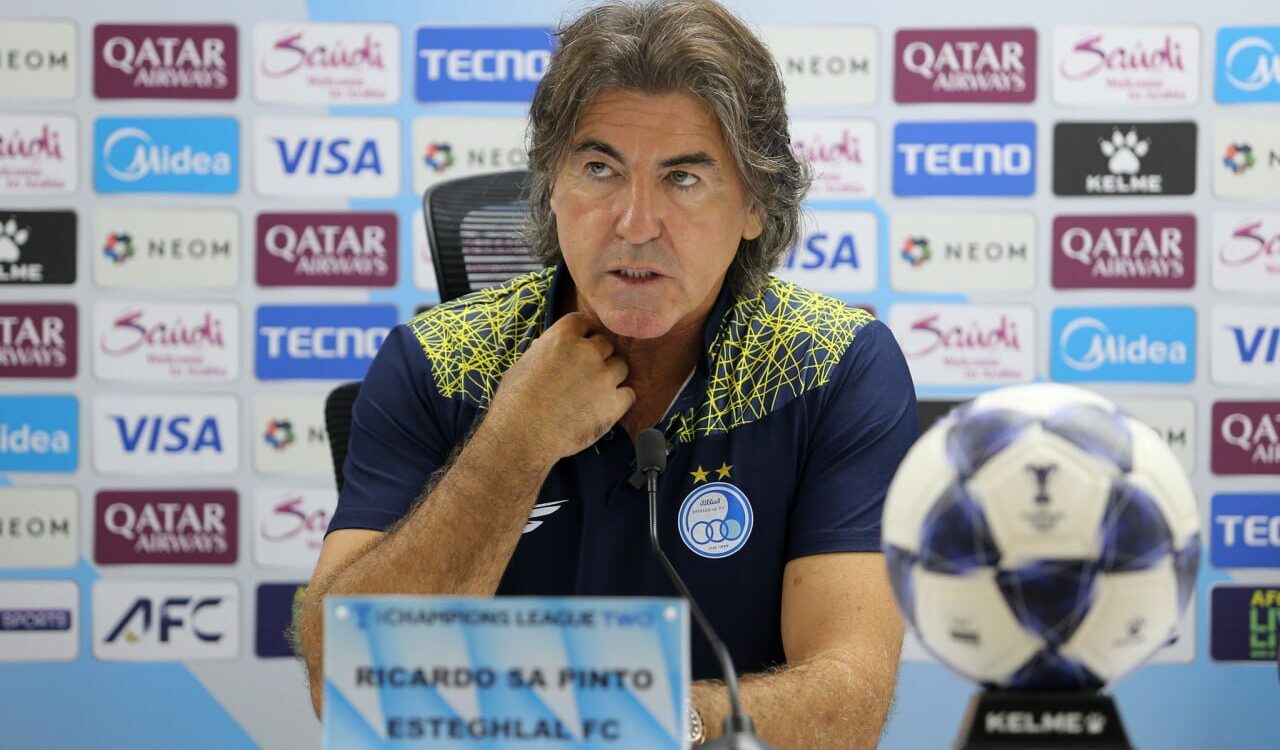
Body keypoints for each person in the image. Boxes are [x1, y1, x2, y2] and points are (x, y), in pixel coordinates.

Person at [296, 1, 919, 746]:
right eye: (600, 170)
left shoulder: (831, 367)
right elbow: (344, 683)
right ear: (552, 186)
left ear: (755, 204)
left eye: (682, 178)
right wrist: (514, 443)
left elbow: (850, 702)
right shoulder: (438, 361)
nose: (635, 223)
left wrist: (652, 723)